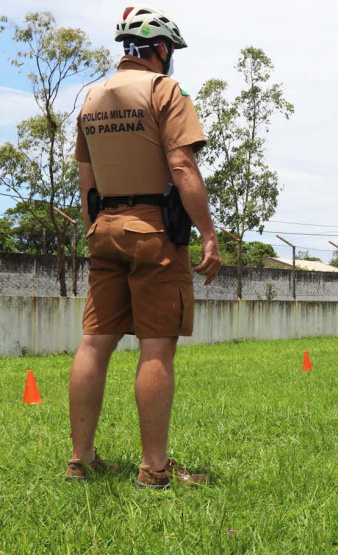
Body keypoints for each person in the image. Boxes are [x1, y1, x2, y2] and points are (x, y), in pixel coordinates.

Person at [67, 5, 221, 489]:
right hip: (154, 232)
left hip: (104, 229)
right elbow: (182, 167)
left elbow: (86, 177)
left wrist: (96, 230)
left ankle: (81, 460)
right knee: (157, 347)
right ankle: (154, 469)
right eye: (169, 49)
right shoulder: (164, 90)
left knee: (94, 343)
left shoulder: (91, 99)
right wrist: (209, 234)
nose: (170, 58)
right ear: (158, 48)